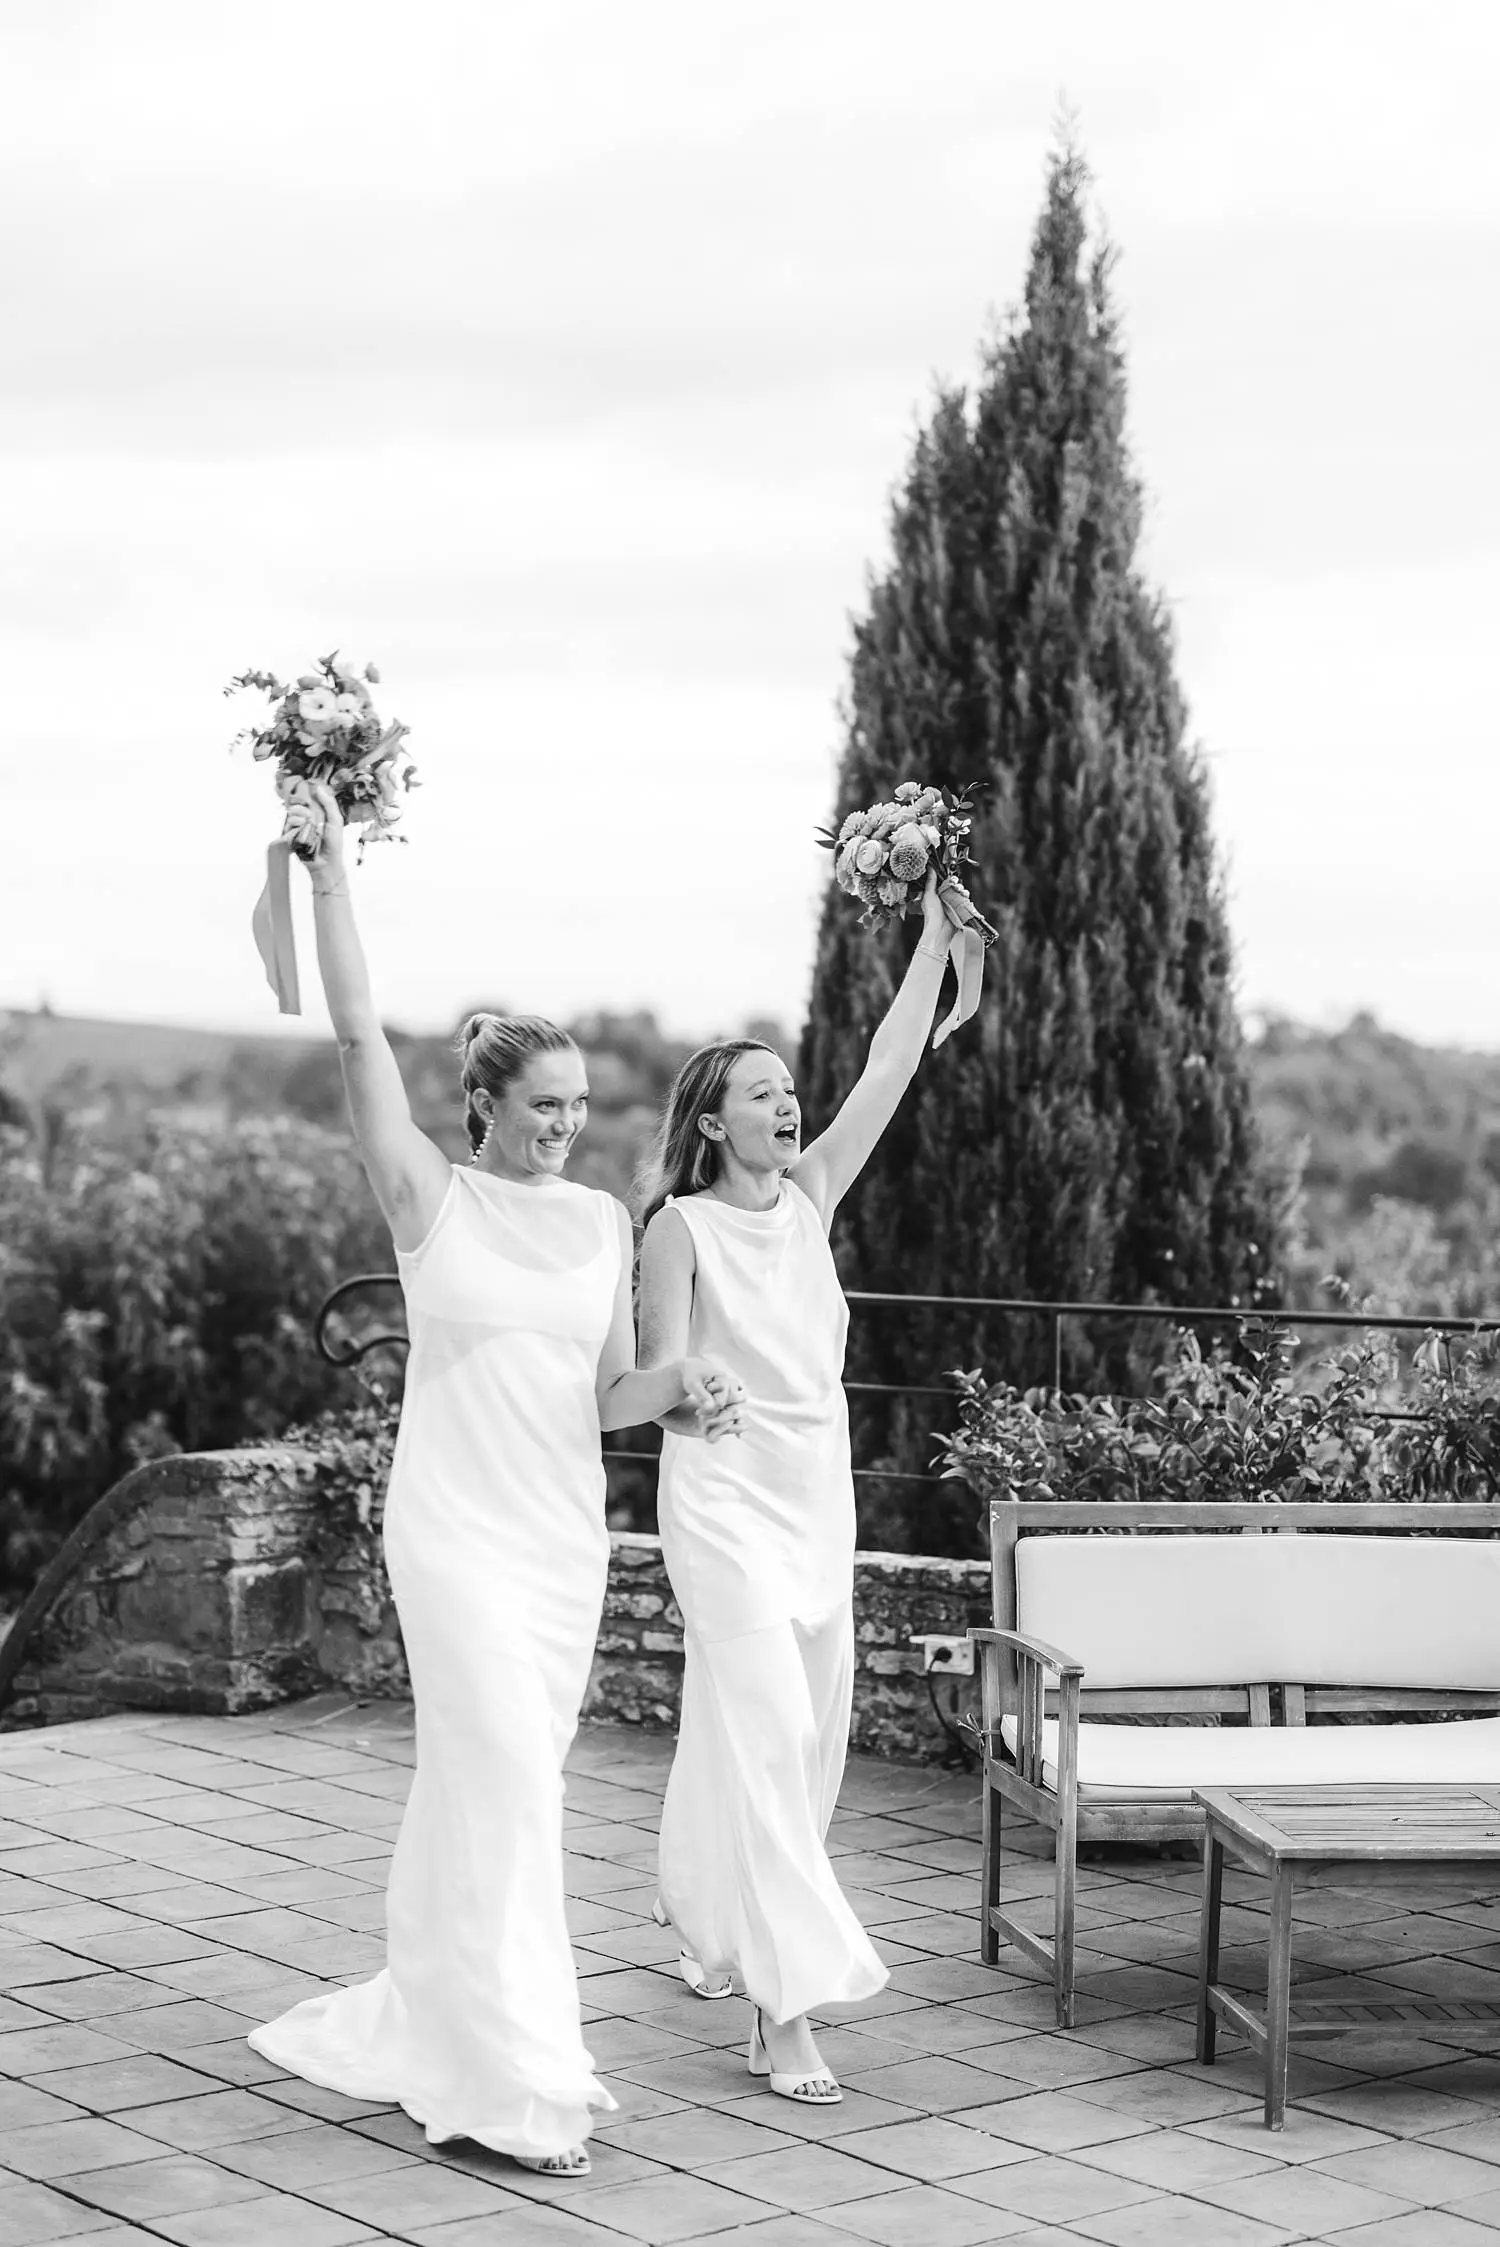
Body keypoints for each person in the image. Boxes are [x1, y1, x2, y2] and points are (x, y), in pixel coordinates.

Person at [248, 781, 743, 2176]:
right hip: (453, 1531)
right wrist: (331, 868)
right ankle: (518, 2073)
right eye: (541, 1104)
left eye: (579, 1107)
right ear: (481, 1102)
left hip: (557, 1538)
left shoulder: (597, 1219)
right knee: (512, 1781)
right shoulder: (429, 1198)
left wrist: (685, 1389)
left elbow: (608, 1395)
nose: (564, 1127)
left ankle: (441, 1996)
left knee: (491, 1780)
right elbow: (354, 1030)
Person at [634, 872, 971, 2105]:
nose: (791, 1104)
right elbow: (654, 1379)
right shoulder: (678, 1229)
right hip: (719, 1506)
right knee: (770, 1732)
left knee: (798, 1742)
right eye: (764, 1094)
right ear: (716, 1124)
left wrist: (934, 938)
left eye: (789, 1090)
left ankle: (700, 1904)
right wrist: (692, 1390)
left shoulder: (813, 1198)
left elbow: (891, 1064)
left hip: (817, 1502)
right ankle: (783, 2014)